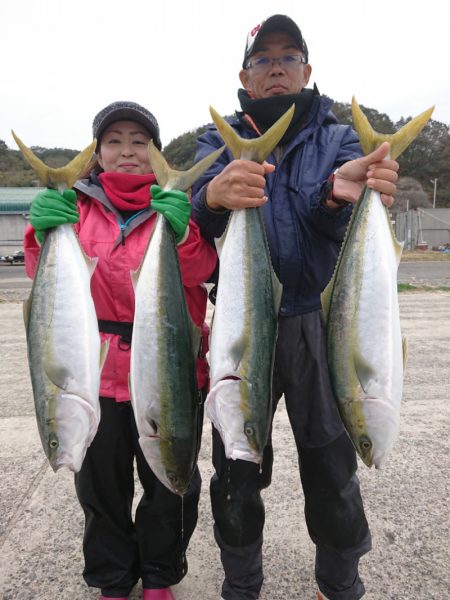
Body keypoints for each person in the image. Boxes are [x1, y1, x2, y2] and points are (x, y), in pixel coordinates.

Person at [190, 15, 399, 600]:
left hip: (316, 322)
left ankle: (339, 584)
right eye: (263, 58)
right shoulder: (219, 140)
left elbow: (339, 216)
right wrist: (210, 193)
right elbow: (193, 218)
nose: (276, 66)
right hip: (239, 321)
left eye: (289, 56)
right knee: (236, 466)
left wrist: (339, 192)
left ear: (307, 69)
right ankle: (241, 584)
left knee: (332, 466)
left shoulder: (338, 138)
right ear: (245, 75)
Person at [24, 101, 218, 600]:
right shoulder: (75, 209)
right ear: (96, 154)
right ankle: (113, 577)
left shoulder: (177, 208)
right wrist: (40, 230)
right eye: (114, 141)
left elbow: (200, 273)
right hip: (95, 378)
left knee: (170, 487)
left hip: (169, 370)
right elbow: (41, 277)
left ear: (155, 152)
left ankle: (159, 576)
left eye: (140, 141)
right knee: (101, 491)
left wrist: (184, 233)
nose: (128, 150)